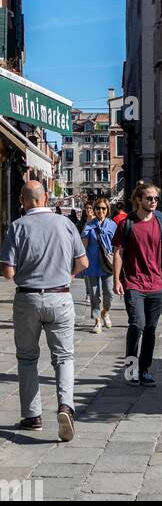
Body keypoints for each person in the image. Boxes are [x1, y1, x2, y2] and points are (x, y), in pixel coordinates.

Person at [0, 179, 88, 440]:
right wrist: (68, 275)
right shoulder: (65, 224)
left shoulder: (17, 227)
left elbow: (7, 271)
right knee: (63, 357)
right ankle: (65, 407)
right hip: (59, 296)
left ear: (23, 200)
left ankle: (32, 416)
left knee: (27, 358)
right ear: (46, 197)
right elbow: (82, 262)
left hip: (28, 299)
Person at [113, 181, 162, 384]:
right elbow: (118, 253)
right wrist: (117, 279)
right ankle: (130, 368)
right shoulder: (127, 223)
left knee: (151, 329)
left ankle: (144, 370)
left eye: (156, 199)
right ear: (138, 200)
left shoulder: (160, 223)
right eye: (149, 198)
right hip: (134, 283)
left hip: (156, 284)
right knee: (137, 325)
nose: (153, 202)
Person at [81, 197, 116, 332]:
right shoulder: (89, 225)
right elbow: (83, 244)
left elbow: (117, 246)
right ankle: (97, 320)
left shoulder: (112, 225)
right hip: (92, 264)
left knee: (109, 294)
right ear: (94, 210)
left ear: (107, 210)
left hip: (107, 264)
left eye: (103, 208)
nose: (100, 211)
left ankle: (105, 312)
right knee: (94, 295)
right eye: (98, 208)